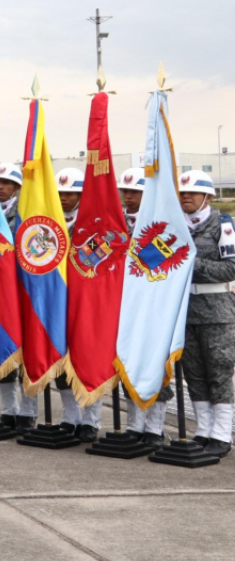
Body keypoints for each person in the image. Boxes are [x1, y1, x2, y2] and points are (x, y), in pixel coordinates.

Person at [178, 170, 235, 457]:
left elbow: (231, 268)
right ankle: (203, 430)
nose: (186, 196)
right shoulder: (173, 226)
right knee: (195, 374)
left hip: (217, 311)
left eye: (193, 192)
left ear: (208, 197)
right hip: (184, 312)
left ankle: (222, 434)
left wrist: (192, 263)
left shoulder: (222, 225)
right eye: (183, 192)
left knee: (220, 373)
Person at [118, 167, 170, 444]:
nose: (128, 196)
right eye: (125, 191)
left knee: (154, 367)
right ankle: (134, 426)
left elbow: (162, 262)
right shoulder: (115, 222)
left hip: (153, 307)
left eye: (135, 191)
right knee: (128, 362)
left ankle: (155, 428)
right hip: (124, 306)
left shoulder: (161, 223)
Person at [0, 163, 36, 429]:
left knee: (29, 354)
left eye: (6, 183)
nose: (0, 187)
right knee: (4, 352)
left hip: (25, 292)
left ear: (17, 187)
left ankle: (28, 411)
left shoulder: (28, 212)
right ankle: (9, 409)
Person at [53, 166, 99, 440]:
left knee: (87, 361)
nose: (64, 198)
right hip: (58, 302)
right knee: (61, 363)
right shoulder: (51, 221)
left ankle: (91, 421)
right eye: (60, 192)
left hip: (85, 305)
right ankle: (71, 416)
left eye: (70, 193)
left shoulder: (93, 225)